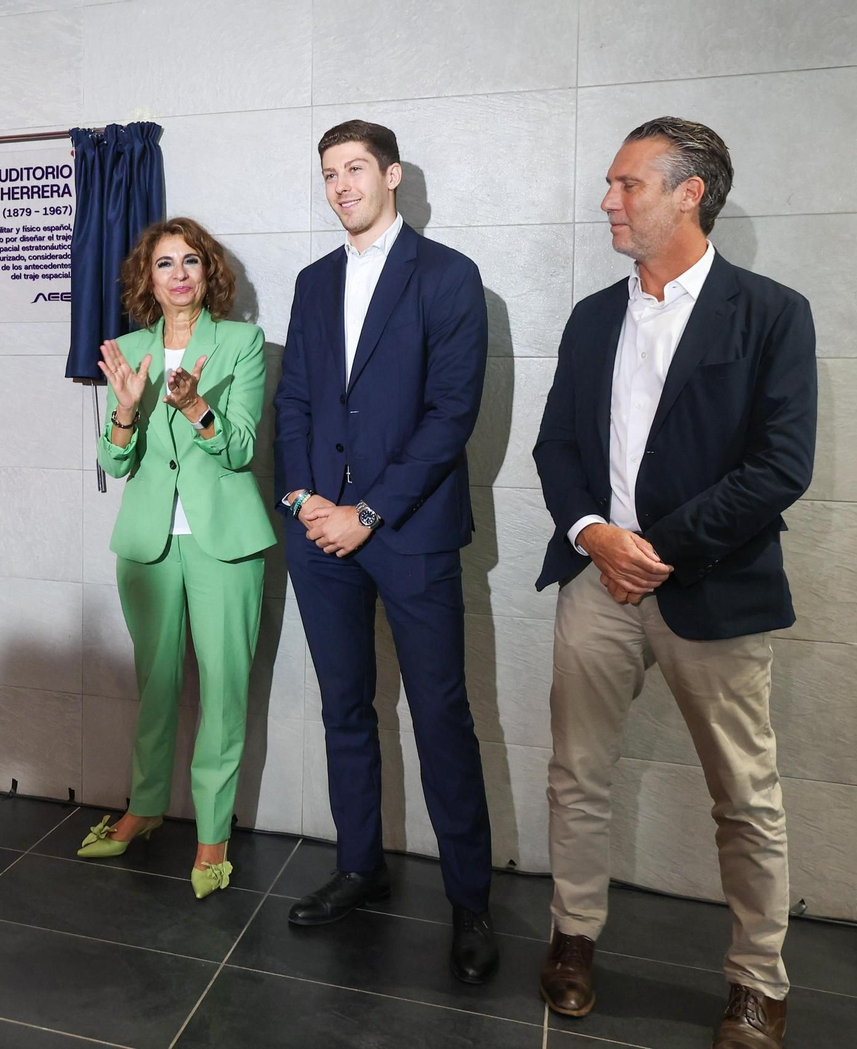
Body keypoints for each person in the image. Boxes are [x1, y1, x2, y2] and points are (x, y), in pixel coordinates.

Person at [532, 117, 815, 1049]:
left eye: (627, 185)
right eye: (611, 186)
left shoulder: (771, 313)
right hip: (593, 583)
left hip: (713, 589)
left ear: (690, 192)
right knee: (577, 775)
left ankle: (757, 985)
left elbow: (780, 466)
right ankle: (572, 939)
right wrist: (593, 534)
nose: (608, 201)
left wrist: (653, 546)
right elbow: (557, 446)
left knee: (745, 793)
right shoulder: (590, 317)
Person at [272, 120, 499, 983]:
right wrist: (303, 500)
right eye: (328, 173)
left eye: (355, 169)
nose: (341, 185)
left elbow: (453, 414)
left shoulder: (448, 275)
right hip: (319, 532)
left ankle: (471, 900)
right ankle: (360, 866)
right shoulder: (312, 280)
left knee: (441, 717)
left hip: (407, 534)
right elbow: (295, 397)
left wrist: (367, 511)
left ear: (392, 175)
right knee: (344, 707)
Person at [78, 217, 275, 899]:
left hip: (225, 540)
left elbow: (242, 446)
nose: (180, 273)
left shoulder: (242, 342)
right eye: (165, 263)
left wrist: (195, 408)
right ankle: (144, 806)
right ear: (149, 279)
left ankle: (213, 835)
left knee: (224, 689)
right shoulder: (128, 349)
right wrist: (127, 411)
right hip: (148, 543)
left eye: (191, 260)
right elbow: (115, 459)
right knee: (155, 686)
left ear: (208, 272)